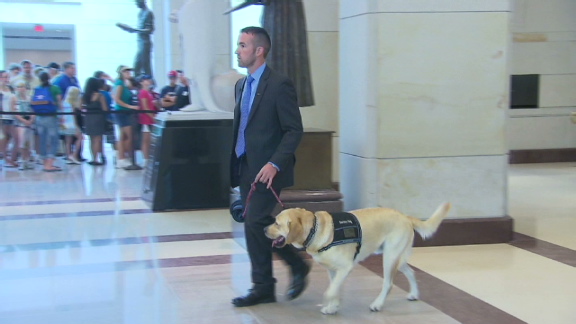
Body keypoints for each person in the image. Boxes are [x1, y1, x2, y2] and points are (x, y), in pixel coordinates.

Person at [230, 26, 309, 307]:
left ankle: (271, 281)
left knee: (254, 222)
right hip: (245, 165)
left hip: (267, 168)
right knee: (256, 224)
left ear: (259, 50)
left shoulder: (279, 84)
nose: (237, 50)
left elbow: (293, 130)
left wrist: (275, 163)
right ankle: (280, 275)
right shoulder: (242, 85)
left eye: (242, 45)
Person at [116, 0, 155, 77]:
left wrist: (135, 30)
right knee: (137, 66)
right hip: (140, 42)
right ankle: (139, 85)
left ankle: (150, 83)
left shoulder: (148, 13)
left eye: (137, 2)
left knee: (146, 65)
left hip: (145, 42)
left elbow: (150, 30)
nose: (136, 4)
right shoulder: (140, 14)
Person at [33, 72, 62, 172]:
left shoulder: (37, 89)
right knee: (54, 140)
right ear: (49, 78)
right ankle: (50, 164)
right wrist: (61, 115)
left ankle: (45, 164)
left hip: (39, 118)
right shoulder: (55, 88)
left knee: (43, 140)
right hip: (51, 117)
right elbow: (59, 103)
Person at [113, 65, 139, 168]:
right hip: (122, 112)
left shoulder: (125, 84)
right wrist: (130, 106)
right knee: (127, 136)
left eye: (129, 71)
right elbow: (117, 99)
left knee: (124, 136)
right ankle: (122, 157)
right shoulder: (119, 83)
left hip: (125, 111)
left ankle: (123, 157)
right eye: (125, 71)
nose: (128, 73)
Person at [82, 78, 109, 166]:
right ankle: (97, 159)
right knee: (98, 139)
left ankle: (93, 158)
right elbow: (105, 109)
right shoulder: (100, 96)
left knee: (91, 139)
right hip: (98, 118)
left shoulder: (84, 96)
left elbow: (80, 107)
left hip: (88, 118)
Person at [13, 80, 35, 170]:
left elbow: (33, 110)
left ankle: (27, 160)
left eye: (23, 87)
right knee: (21, 142)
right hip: (20, 123)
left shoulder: (30, 98)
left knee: (29, 142)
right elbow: (14, 112)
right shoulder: (14, 98)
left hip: (29, 122)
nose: (21, 89)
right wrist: (23, 120)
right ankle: (22, 159)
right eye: (19, 87)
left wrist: (31, 120)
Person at [136, 75, 156, 164]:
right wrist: (152, 117)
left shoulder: (148, 92)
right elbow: (145, 107)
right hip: (146, 119)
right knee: (146, 139)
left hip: (149, 118)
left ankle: (148, 157)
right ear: (141, 82)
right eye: (146, 80)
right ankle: (145, 159)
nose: (148, 81)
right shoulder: (143, 92)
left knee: (149, 139)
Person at [61, 86, 83, 164]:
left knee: (68, 141)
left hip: (65, 124)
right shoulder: (73, 104)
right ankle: (74, 155)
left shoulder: (64, 102)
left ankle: (69, 156)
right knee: (80, 137)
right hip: (72, 124)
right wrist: (76, 126)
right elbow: (73, 116)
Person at [0, 70, 18, 167]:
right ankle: (6, 158)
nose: (6, 79)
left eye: (7, 77)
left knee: (13, 138)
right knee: (3, 138)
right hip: (2, 117)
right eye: (4, 77)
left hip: (11, 116)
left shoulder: (10, 88)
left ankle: (10, 158)